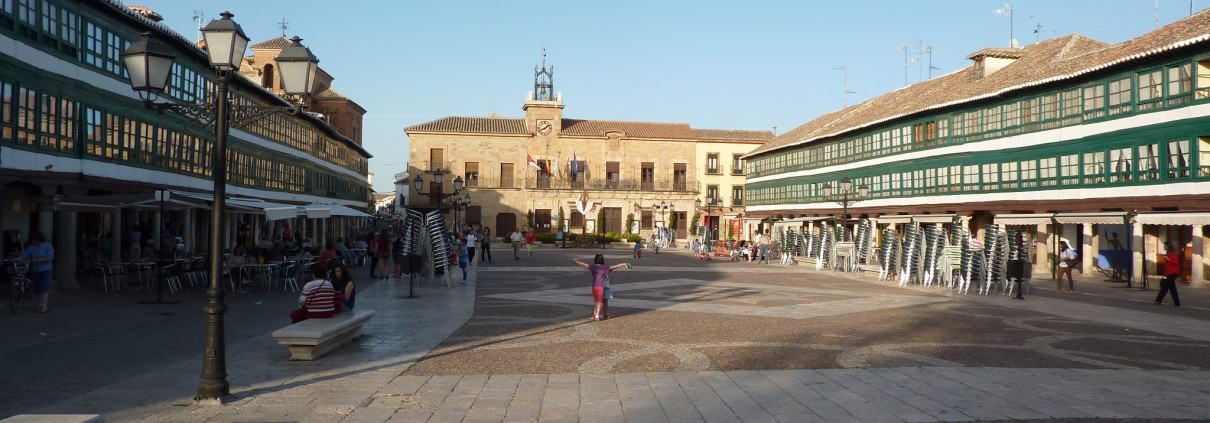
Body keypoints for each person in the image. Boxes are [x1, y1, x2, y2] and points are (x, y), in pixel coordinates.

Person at [573, 254, 629, 321]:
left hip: (594, 286)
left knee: (597, 301)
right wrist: (623, 264)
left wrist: (577, 262)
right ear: (602, 260)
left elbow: (585, 265)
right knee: (600, 301)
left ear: (595, 260)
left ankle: (595, 315)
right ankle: (598, 315)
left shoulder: (593, 267)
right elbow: (615, 266)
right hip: (602, 286)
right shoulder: (605, 268)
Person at [22, 232, 55, 313]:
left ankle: (44, 306)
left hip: (46, 270)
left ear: (38, 240)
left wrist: (39, 260)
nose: (33, 241)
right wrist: (15, 259)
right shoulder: (31, 247)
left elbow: (51, 257)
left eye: (34, 240)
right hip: (35, 270)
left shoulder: (48, 246)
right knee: (37, 288)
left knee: (44, 288)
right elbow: (24, 256)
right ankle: (39, 304)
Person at [1155, 242, 1187, 306]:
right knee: (1172, 288)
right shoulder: (1168, 253)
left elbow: (1175, 262)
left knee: (1165, 287)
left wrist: (1168, 259)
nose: (1164, 247)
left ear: (1168, 247)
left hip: (1172, 273)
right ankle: (1177, 303)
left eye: (1165, 246)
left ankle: (1158, 300)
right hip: (1168, 273)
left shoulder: (1173, 253)